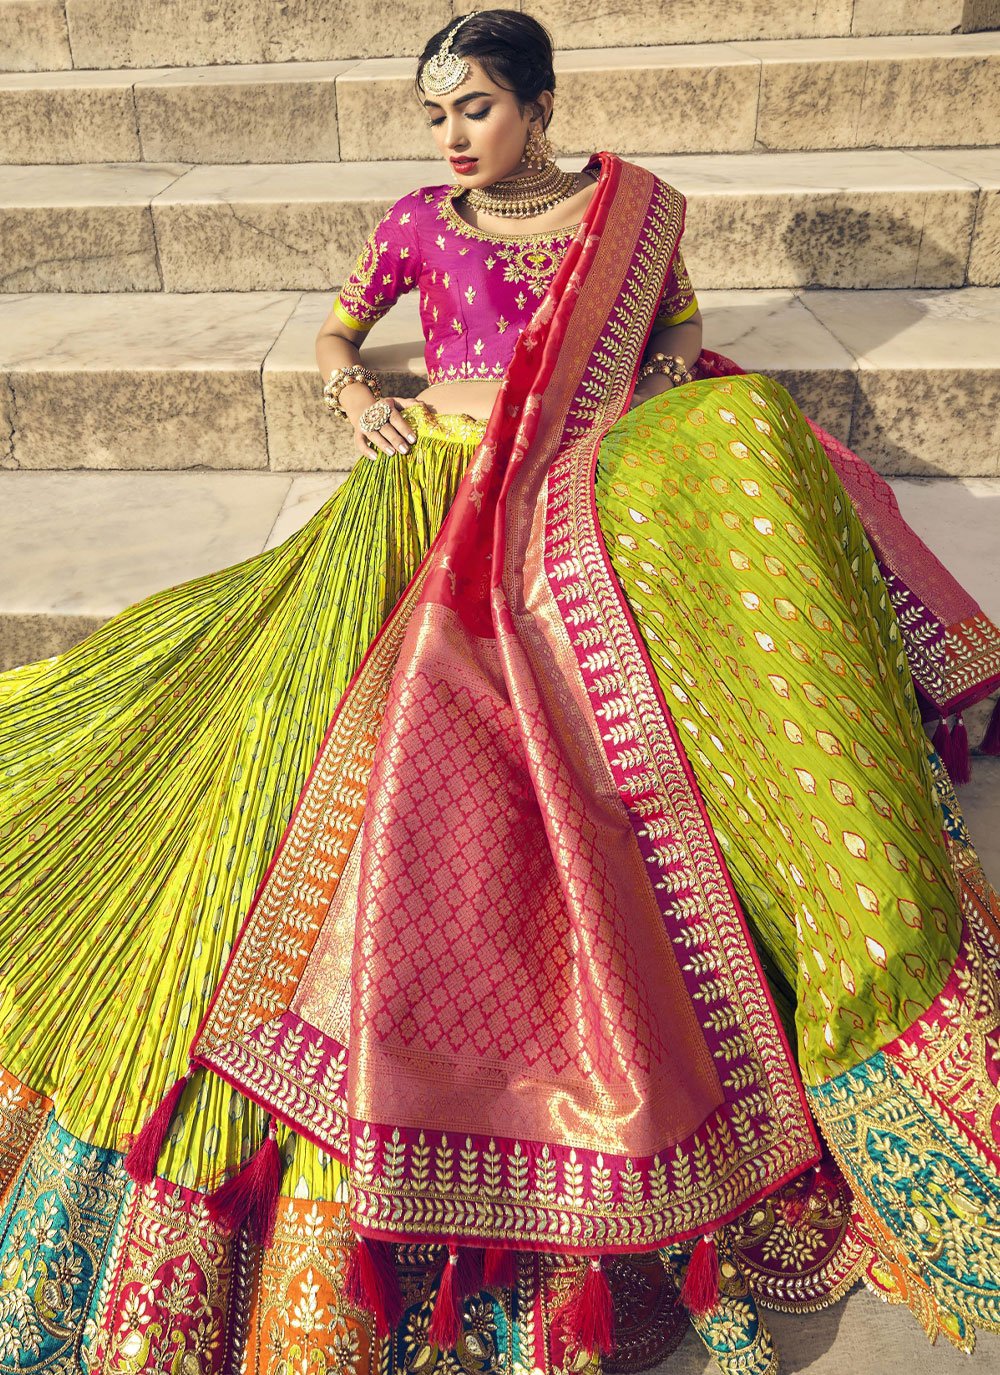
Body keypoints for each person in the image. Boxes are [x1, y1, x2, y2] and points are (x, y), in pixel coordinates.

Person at [1, 9, 998, 1374]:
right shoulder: (419, 221)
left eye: (475, 106)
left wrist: (628, 422)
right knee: (357, 719)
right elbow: (338, 335)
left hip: (579, 488)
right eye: (437, 115)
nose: (455, 136)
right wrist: (363, 408)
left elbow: (679, 337)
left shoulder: (633, 217)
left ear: (536, 102)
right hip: (438, 489)